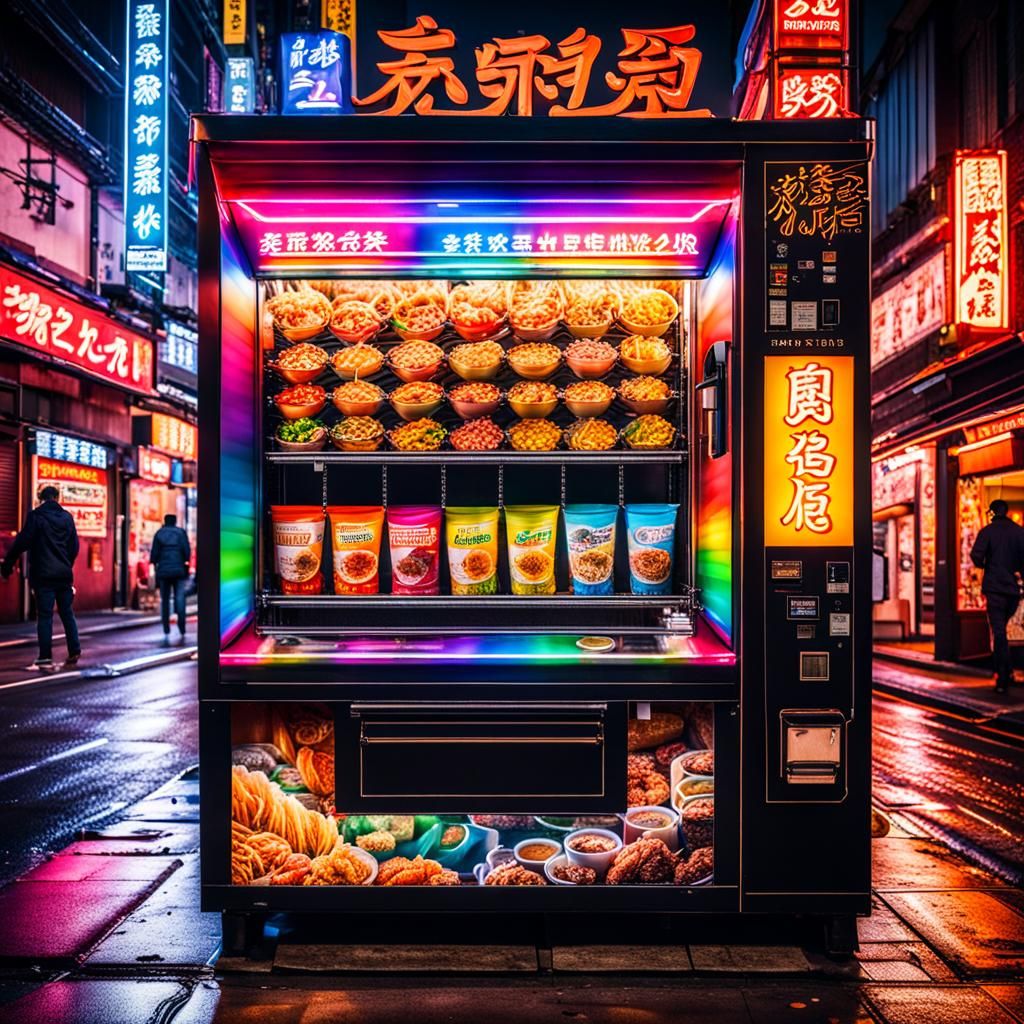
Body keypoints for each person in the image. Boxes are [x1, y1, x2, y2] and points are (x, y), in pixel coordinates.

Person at [0, 486, 81, 670]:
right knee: (67, 612)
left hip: (43, 575)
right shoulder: (67, 518)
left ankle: (45, 656)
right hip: (64, 575)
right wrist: (66, 564)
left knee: (45, 616)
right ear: (57, 498)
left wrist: (7, 565)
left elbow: (21, 542)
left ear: (41, 499)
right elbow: (74, 547)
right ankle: (74, 650)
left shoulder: (36, 517)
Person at [970, 499, 1024, 693]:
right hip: (1012, 590)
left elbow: (976, 556)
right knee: (1002, 630)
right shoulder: (1019, 532)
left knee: (999, 632)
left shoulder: (987, 532)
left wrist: (988, 565)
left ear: (992, 513)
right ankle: (1007, 670)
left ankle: (1002, 676)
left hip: (994, 588)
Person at [150, 513, 191, 642]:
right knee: (180, 597)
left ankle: (166, 627)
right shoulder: (181, 533)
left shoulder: (159, 534)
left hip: (163, 571)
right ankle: (182, 626)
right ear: (175, 521)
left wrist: (156, 565)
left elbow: (154, 555)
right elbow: (187, 552)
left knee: (165, 600)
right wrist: (184, 562)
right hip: (178, 570)